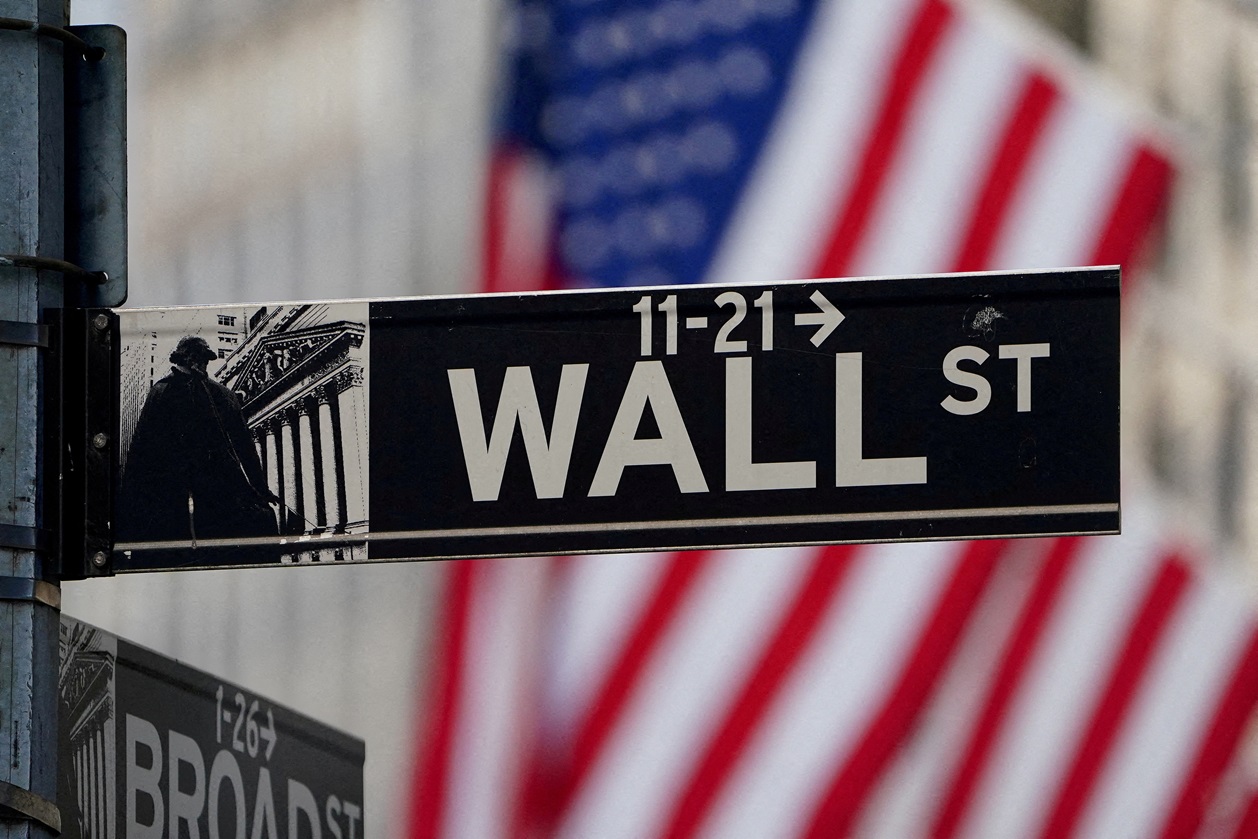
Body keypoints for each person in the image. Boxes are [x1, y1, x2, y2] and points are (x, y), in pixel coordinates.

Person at [118, 335, 279, 546]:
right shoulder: (215, 394)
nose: (202, 364)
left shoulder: (171, 391)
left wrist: (260, 488)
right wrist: (260, 488)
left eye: (203, 359)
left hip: (195, 490)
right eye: (201, 359)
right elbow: (245, 448)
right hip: (194, 489)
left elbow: (140, 451)